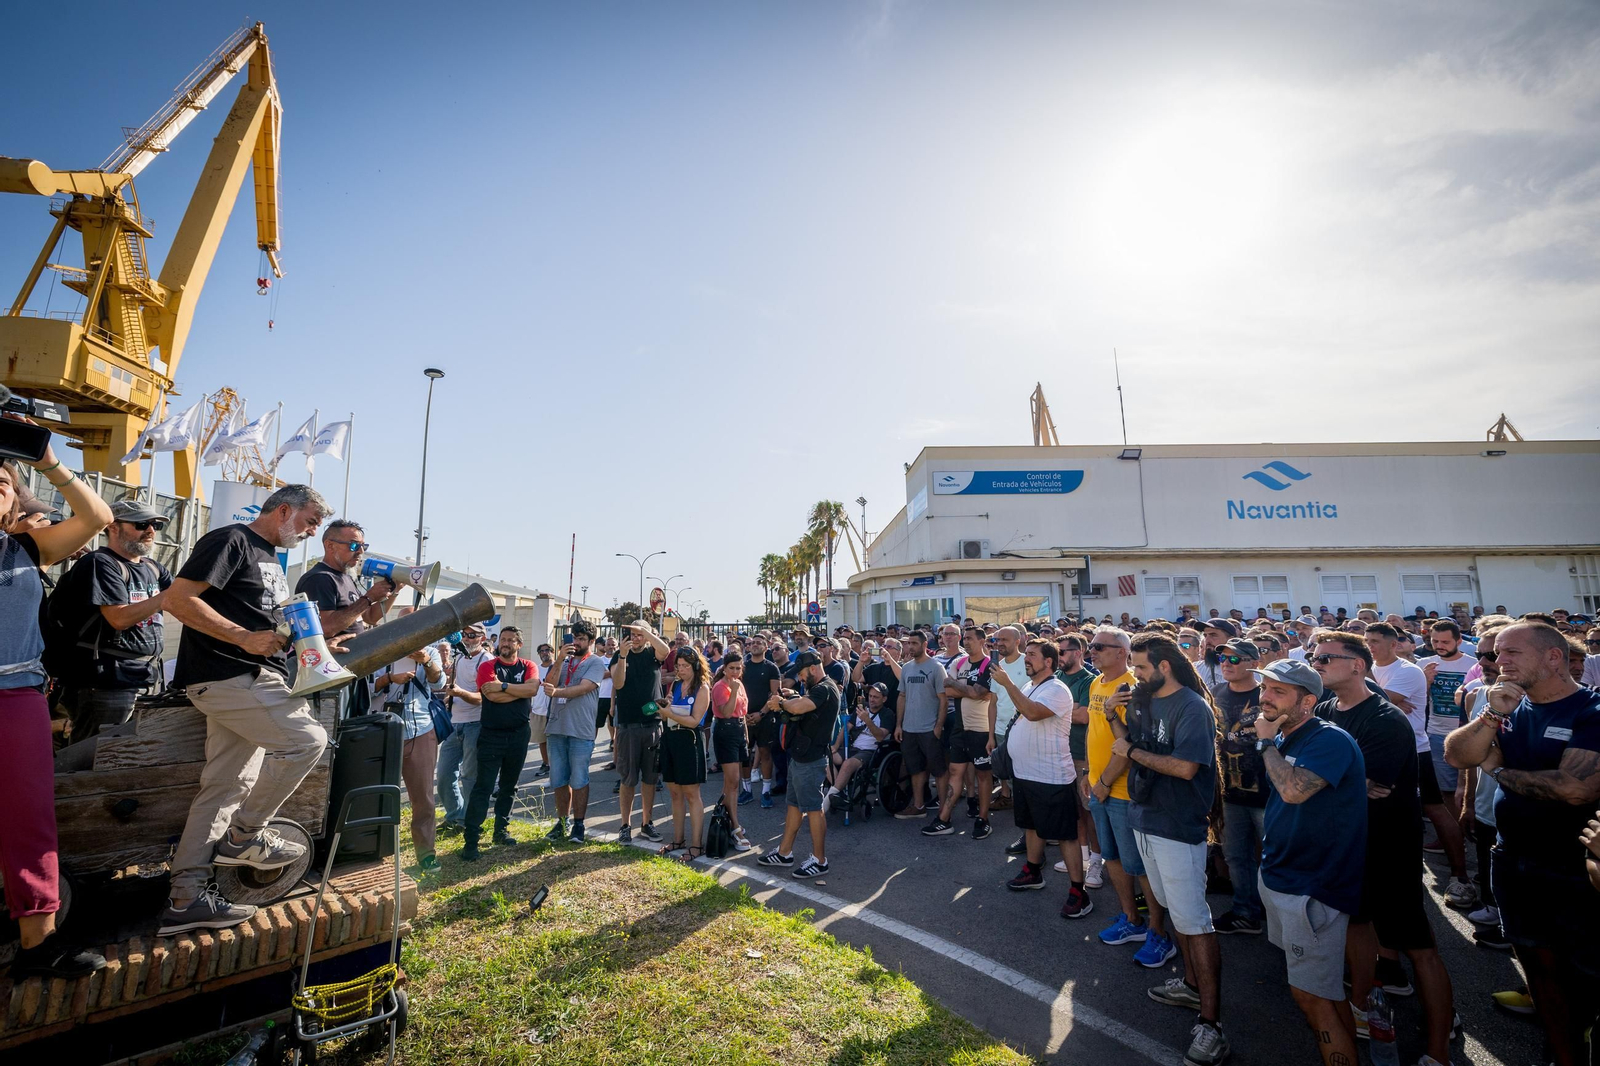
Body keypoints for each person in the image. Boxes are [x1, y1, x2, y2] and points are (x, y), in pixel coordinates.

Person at [160, 484, 332, 935]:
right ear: (282, 511)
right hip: (232, 675)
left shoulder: (271, 559)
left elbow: (258, 622)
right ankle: (245, 836)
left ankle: (185, 899)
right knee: (306, 742)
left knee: (224, 789)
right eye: (311, 521)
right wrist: (241, 638)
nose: (312, 532)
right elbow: (177, 600)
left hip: (244, 679)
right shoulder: (230, 540)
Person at [1444, 621, 1600, 1065]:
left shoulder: (1590, 711)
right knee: (1536, 967)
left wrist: (1499, 770)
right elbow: (1458, 755)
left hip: (1579, 867)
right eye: (1494, 654)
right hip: (1513, 858)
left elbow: (1574, 788)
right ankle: (1561, 1054)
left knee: (1586, 973)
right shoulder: (1504, 707)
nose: (1497, 661)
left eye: (1510, 653)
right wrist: (1492, 717)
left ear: (1553, 657)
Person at [1311, 631, 1456, 1066]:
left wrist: (1326, 779)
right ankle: (1359, 1005)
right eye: (1315, 657)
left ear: (1357, 665)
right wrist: (1332, 779)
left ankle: (1438, 1051)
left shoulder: (1384, 719)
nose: (1316, 665)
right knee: (1358, 924)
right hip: (1346, 843)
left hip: (1388, 845)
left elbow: (1336, 783)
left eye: (1325, 659)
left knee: (1417, 945)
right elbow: (1317, 773)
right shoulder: (1323, 710)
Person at [0, 445, 113, 977]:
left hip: (15, 697)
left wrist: (46, 459)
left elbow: (96, 517)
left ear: (13, 503)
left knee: (28, 820)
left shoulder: (23, 548)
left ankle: (38, 945)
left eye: (0, 483)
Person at [1110, 634, 1226, 1066]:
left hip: (1177, 826)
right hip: (1146, 817)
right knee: (1177, 913)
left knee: (1195, 921)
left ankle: (1212, 1024)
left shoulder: (1192, 707)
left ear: (1164, 667)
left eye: (1140, 667)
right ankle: (1192, 985)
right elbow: (1132, 748)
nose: (1134, 675)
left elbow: (1184, 767)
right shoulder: (1145, 701)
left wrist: (1131, 747)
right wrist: (1113, 719)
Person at [1250, 659, 1367, 1066]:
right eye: (1265, 687)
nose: (1265, 696)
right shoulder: (1286, 735)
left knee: (1311, 996)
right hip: (1283, 876)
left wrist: (1264, 744)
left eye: (1278, 691)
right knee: (1322, 992)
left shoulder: (1327, 739)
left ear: (1308, 701)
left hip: (1312, 886)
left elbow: (1295, 791)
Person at [47, 498, 173, 741]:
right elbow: (118, 618)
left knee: (121, 756)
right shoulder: (101, 563)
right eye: (141, 524)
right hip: (104, 683)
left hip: (142, 677)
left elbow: (185, 606)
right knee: (93, 758)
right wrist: (171, 596)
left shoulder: (153, 568)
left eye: (156, 525)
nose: (150, 531)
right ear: (113, 527)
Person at [1084, 630, 1174, 966]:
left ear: (1122, 652)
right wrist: (1088, 777)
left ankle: (1157, 932)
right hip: (1099, 787)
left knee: (1140, 867)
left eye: (1099, 647)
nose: (1091, 651)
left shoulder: (1131, 690)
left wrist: (1105, 781)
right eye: (1091, 646)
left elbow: (1127, 746)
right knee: (1112, 858)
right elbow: (1096, 735)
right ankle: (1130, 919)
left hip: (1120, 791)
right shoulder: (1097, 684)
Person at [991, 638, 1092, 919]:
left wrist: (1008, 683)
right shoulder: (1029, 686)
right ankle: (1033, 872)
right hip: (1025, 773)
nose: (1027, 659)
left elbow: (1033, 713)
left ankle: (1078, 892)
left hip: (1051, 775)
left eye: (1032, 655)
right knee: (1032, 827)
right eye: (1027, 654)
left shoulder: (1057, 689)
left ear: (1048, 662)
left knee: (1065, 835)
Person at [757, 650, 840, 879]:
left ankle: (820, 860)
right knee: (794, 805)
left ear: (813, 668)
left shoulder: (825, 687)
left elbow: (800, 708)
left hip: (811, 758)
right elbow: (802, 703)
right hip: (800, 755)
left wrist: (782, 703)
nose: (801, 679)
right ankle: (784, 853)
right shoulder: (816, 687)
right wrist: (792, 695)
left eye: (802, 674)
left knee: (814, 809)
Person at [462, 627, 540, 860]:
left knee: (509, 786)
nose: (505, 643)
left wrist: (504, 686)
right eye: (503, 639)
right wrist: (520, 691)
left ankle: (500, 831)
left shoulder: (528, 666)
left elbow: (533, 689)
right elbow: (490, 695)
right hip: (491, 735)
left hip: (519, 734)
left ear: (519, 644)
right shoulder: (488, 666)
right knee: (483, 787)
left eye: (510, 640)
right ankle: (471, 840)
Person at [376, 607, 444, 871]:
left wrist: (426, 661)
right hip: (383, 729)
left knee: (423, 796)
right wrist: (389, 678)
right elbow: (365, 683)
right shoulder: (381, 649)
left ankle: (426, 854)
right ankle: (376, 852)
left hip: (420, 729)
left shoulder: (430, 651)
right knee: (379, 793)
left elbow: (439, 684)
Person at [1416, 619, 1478, 907]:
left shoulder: (1473, 663)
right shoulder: (1424, 664)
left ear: (1458, 641)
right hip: (1436, 734)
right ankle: (1451, 840)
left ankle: (1471, 839)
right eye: (1435, 642)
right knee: (1445, 793)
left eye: (1445, 642)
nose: (1439, 646)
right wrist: (1424, 681)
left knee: (1470, 791)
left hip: (1468, 735)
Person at [1210, 638, 1266, 934]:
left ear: (1253, 663)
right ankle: (1246, 911)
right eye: (1223, 659)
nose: (1226, 665)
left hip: (1267, 792)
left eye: (1234, 659)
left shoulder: (1267, 694)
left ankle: (1279, 915)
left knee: (1273, 856)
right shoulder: (1216, 692)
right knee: (1235, 855)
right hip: (1229, 791)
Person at [925, 626, 996, 839]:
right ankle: (944, 819)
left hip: (982, 729)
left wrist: (961, 687)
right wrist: (970, 690)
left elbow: (981, 692)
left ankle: (983, 819)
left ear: (982, 641)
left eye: (970, 638)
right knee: (956, 772)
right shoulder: (959, 662)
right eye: (964, 638)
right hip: (960, 728)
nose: (966, 642)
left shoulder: (989, 665)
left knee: (983, 776)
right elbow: (947, 689)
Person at [541, 619, 607, 844]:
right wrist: (559, 658)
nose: (576, 642)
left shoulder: (596, 662)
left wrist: (558, 692)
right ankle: (561, 822)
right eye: (574, 638)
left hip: (580, 729)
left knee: (579, 778)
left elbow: (585, 687)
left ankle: (578, 824)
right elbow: (548, 683)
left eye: (581, 639)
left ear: (590, 641)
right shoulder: (563, 660)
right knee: (558, 779)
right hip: (556, 728)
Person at [612, 621, 669, 844]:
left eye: (639, 634)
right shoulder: (619, 655)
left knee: (650, 778)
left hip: (653, 724)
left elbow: (665, 651)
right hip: (628, 726)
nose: (635, 638)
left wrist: (646, 632)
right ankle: (625, 825)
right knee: (628, 779)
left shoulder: (653, 654)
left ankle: (647, 823)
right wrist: (623, 656)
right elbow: (618, 683)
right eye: (632, 634)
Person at [657, 647, 711, 859]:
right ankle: (678, 839)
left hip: (689, 741)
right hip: (671, 738)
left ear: (696, 666)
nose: (681, 670)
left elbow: (695, 720)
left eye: (686, 666)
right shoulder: (677, 684)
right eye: (678, 666)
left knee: (691, 794)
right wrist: (666, 707)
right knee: (675, 793)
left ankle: (697, 845)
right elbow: (670, 714)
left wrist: (669, 712)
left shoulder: (702, 688)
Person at [437, 624, 492, 833]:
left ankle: (469, 821)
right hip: (454, 723)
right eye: (464, 635)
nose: (467, 639)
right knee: (443, 775)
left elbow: (483, 697)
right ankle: (454, 815)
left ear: (482, 637)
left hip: (475, 724)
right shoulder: (459, 658)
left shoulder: (486, 660)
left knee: (470, 776)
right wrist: (448, 697)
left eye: (472, 635)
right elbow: (454, 688)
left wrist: (459, 693)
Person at [893, 631, 948, 822]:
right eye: (909, 643)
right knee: (915, 769)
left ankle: (944, 810)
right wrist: (899, 725)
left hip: (929, 729)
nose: (910, 647)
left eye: (914, 643)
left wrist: (939, 726)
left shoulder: (936, 667)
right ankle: (918, 806)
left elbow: (944, 699)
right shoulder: (906, 668)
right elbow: (902, 696)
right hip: (909, 728)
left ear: (925, 645)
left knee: (939, 770)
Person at [825, 682, 892, 814]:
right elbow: (846, 728)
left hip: (871, 751)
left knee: (847, 764)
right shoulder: (862, 709)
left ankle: (827, 801)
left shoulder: (887, 714)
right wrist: (836, 745)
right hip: (854, 747)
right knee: (828, 759)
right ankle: (839, 793)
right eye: (870, 696)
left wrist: (867, 720)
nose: (872, 699)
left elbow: (880, 737)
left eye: (876, 697)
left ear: (884, 699)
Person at [711, 653, 754, 850]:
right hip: (725, 729)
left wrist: (745, 735)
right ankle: (734, 826)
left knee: (732, 782)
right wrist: (734, 691)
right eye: (732, 668)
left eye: (738, 668)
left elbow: (742, 713)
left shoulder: (739, 684)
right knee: (732, 782)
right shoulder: (720, 686)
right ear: (725, 668)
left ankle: (727, 819)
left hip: (738, 730)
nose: (735, 672)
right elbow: (727, 712)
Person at [742, 633, 785, 808]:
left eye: (760, 643)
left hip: (765, 718)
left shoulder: (771, 668)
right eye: (753, 643)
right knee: (744, 756)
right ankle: (746, 791)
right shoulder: (742, 667)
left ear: (766, 647)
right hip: (744, 718)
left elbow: (775, 695)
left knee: (766, 754)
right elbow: (736, 692)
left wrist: (761, 713)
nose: (756, 645)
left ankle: (766, 792)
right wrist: (744, 715)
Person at [528, 642, 557, 777]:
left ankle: (556, 765)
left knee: (555, 741)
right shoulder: (535, 669)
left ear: (552, 651)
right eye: (542, 651)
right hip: (538, 710)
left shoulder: (559, 667)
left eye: (547, 650)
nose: (545, 653)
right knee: (542, 740)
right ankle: (545, 763)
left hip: (556, 710)